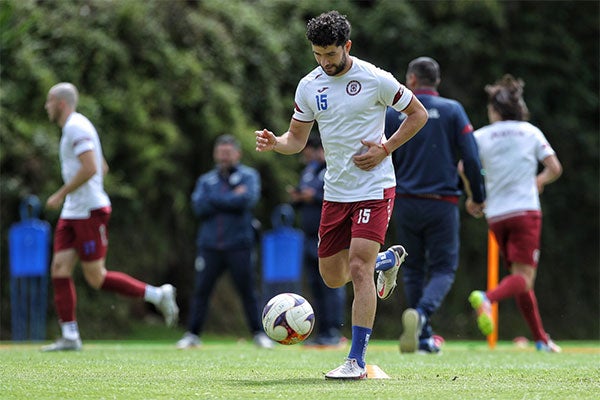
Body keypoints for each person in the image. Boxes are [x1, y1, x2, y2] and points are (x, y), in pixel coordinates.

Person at [255, 10, 428, 379]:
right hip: (336, 191)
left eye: (330, 54)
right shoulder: (309, 85)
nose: (324, 61)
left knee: (358, 268)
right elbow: (296, 139)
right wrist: (276, 144)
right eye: (317, 54)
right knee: (333, 276)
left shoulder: (375, 78)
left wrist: (386, 148)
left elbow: (418, 114)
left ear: (346, 46)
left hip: (375, 186)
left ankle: (356, 361)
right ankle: (386, 262)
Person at [42, 82, 179, 352]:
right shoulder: (77, 126)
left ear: (60, 103)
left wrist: (60, 194)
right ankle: (70, 335)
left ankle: (158, 294)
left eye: (48, 101)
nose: (45, 107)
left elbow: (92, 167)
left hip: (89, 211)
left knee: (96, 277)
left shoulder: (75, 126)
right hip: (74, 211)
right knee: (59, 269)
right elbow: (102, 166)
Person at [384, 57, 486, 354]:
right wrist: (477, 197)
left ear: (412, 80)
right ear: (436, 80)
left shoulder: (395, 114)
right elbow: (471, 158)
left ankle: (423, 336)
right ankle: (424, 315)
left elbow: (383, 153)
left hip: (404, 201)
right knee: (443, 268)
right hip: (442, 203)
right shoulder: (454, 111)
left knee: (413, 267)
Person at [468, 74, 563, 352]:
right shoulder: (530, 131)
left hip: (496, 216)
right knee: (524, 278)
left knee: (520, 281)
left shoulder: (481, 135)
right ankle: (487, 297)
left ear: (496, 109)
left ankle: (541, 340)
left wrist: (475, 197)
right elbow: (555, 167)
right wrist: (540, 181)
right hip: (525, 212)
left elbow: (465, 167)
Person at [176, 134, 274, 349]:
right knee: (201, 291)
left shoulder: (248, 176)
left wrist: (217, 200)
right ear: (215, 154)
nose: (224, 157)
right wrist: (231, 197)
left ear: (237, 154)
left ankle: (259, 334)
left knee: (248, 291)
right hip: (210, 246)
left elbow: (247, 200)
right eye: (221, 152)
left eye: (228, 153)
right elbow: (199, 207)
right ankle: (192, 334)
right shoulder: (206, 180)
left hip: (239, 244)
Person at [288, 136, 346, 347]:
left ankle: (334, 331)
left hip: (330, 236)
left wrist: (312, 197)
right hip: (308, 236)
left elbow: (338, 197)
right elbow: (304, 196)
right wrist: (298, 198)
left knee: (332, 285)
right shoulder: (310, 171)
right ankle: (320, 332)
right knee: (315, 286)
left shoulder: (334, 169)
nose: (314, 155)